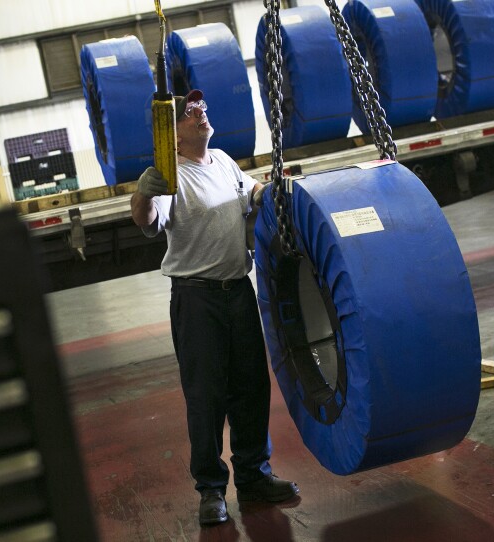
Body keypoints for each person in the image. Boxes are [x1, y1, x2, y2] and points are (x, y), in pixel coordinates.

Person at [130, 89, 299, 526]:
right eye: (190, 112)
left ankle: (254, 476)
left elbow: (250, 192)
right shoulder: (170, 176)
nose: (201, 112)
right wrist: (143, 194)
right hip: (197, 298)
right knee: (206, 398)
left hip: (238, 291)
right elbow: (148, 221)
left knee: (251, 389)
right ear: (173, 135)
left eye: (202, 107)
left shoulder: (222, 160)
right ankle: (210, 489)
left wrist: (267, 192)